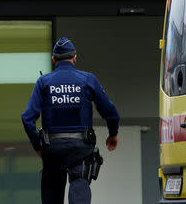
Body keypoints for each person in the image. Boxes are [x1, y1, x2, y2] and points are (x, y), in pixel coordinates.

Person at [21, 37, 120, 204]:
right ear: (75, 58)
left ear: (53, 60)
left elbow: (27, 118)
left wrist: (38, 147)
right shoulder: (87, 79)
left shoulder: (43, 83)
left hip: (53, 151)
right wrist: (113, 133)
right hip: (80, 149)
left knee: (51, 195)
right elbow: (110, 111)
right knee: (79, 190)